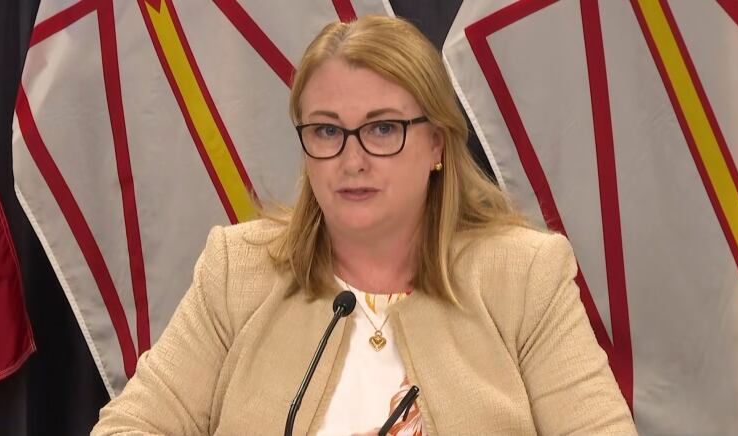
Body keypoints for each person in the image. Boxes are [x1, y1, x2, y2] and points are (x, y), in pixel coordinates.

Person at [92, 15, 636, 436]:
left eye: (382, 129)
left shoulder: (523, 276)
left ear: (436, 144)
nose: (352, 160)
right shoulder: (241, 269)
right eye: (327, 132)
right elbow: (129, 426)